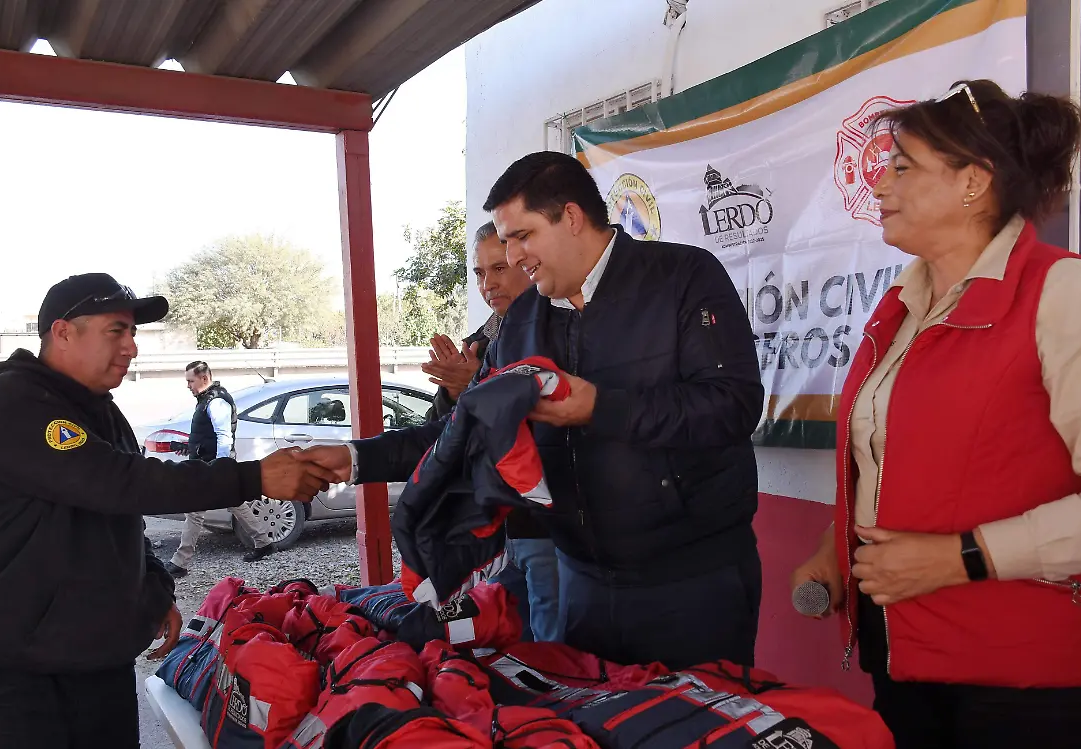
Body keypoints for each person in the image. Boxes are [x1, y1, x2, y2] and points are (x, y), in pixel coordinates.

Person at [297, 152, 765, 670]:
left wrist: (600, 408)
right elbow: (462, 434)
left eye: (522, 236)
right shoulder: (521, 322)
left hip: (693, 583)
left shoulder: (682, 276)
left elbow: (734, 405)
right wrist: (356, 459)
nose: (514, 255)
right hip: (582, 584)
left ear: (570, 217)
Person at [790, 80, 1081, 748]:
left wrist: (962, 557)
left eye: (903, 166)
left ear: (974, 182)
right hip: (908, 660)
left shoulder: (1066, 292)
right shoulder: (900, 309)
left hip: (1035, 684)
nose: (880, 185)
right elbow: (889, 460)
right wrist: (837, 548)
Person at [0, 273, 330, 749]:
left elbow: (118, 513)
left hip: (97, 671)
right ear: (63, 332)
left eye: (133, 333)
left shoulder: (101, 410)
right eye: (115, 331)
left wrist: (149, 586)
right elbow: (119, 482)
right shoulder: (12, 400)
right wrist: (254, 477)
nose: (131, 348)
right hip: (14, 680)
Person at [421, 222, 560, 643]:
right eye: (480, 274)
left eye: (498, 269)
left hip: (549, 526)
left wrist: (476, 390)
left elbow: (552, 423)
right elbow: (440, 438)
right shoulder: (481, 342)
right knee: (506, 641)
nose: (488, 285)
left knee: (557, 651)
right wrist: (453, 394)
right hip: (502, 530)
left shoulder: (561, 328)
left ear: (527, 263)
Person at [163, 361, 276, 577]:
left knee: (194, 510)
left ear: (204, 379)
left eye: (190, 381)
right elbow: (208, 437)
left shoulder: (216, 402)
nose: (188, 385)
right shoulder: (206, 400)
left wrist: (220, 468)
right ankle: (263, 542)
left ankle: (180, 562)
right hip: (210, 464)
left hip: (213, 466)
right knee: (234, 502)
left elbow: (223, 437)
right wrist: (188, 448)